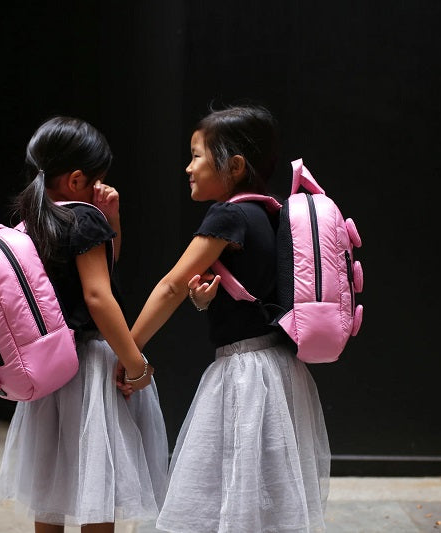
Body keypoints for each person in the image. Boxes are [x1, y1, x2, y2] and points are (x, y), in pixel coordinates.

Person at [126, 104, 330, 532]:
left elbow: (170, 286)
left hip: (242, 374)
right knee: (260, 498)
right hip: (279, 370)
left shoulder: (227, 215)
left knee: (219, 495)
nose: (188, 167)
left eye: (197, 155)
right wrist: (208, 303)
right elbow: (255, 299)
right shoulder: (270, 213)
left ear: (234, 166)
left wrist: (128, 349)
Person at [0, 116, 168, 533]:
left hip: (52, 367)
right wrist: (134, 362)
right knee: (99, 483)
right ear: (76, 179)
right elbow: (97, 295)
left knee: (51, 488)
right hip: (89, 365)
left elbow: (94, 275)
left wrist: (112, 222)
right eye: (97, 180)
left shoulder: (33, 219)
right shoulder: (83, 219)